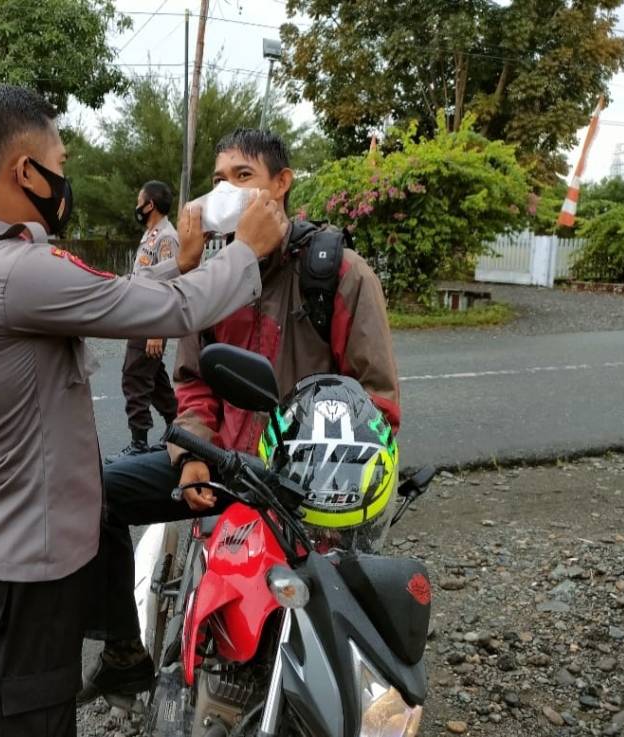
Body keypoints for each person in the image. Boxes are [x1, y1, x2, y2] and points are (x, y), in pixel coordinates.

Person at [0, 88, 289, 737]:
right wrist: (244, 251)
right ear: (26, 172)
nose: (66, 179)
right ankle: (124, 655)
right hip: (25, 561)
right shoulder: (19, 272)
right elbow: (173, 311)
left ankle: (123, 655)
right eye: (59, 162)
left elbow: (110, 295)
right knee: (25, 720)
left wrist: (182, 263)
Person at [81, 128, 401, 703]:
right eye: (218, 180)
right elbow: (193, 383)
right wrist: (191, 457)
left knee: (341, 650)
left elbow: (376, 406)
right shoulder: (215, 278)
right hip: (223, 467)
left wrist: (328, 484)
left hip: (304, 492)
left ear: (282, 184)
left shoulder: (340, 277)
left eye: (243, 176)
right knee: (94, 493)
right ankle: (124, 654)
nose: (226, 191)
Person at [107, 181, 181, 461]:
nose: (136, 206)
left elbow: (169, 285)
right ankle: (180, 431)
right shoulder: (151, 235)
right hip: (142, 317)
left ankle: (139, 443)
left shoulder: (167, 238)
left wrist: (157, 331)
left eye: (140, 201)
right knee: (155, 379)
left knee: (134, 377)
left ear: (150, 205)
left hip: (151, 320)